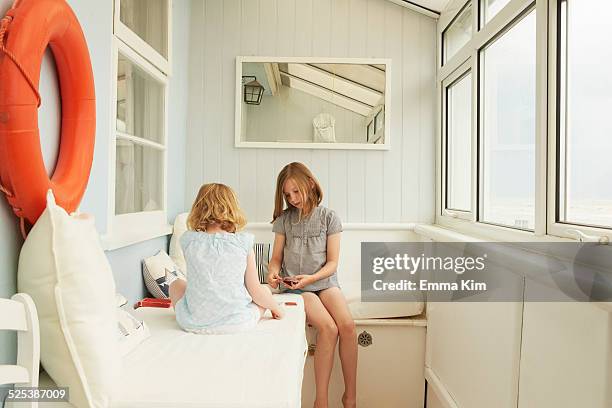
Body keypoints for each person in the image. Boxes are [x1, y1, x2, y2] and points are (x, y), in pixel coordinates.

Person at [267, 162, 357, 408]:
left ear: (309, 184)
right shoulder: (284, 220)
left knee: (347, 326)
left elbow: (332, 263)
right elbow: (276, 259)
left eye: (296, 191)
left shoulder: (329, 217)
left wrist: (313, 278)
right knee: (328, 328)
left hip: (324, 281)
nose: (292, 198)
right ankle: (321, 400)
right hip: (296, 286)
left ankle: (350, 397)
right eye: (287, 194)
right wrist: (273, 273)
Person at [168, 183, 283, 334]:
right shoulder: (243, 242)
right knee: (264, 291)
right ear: (232, 209)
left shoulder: (188, 240)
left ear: (198, 209)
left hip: (194, 322)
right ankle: (268, 305)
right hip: (236, 323)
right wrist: (277, 308)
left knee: (175, 284)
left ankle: (201, 312)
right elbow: (254, 290)